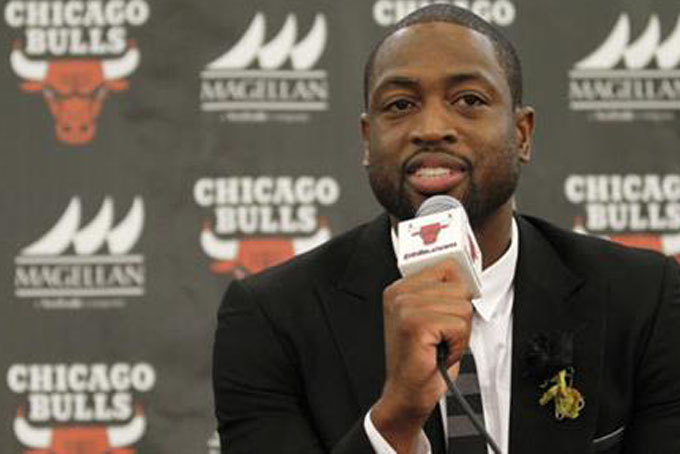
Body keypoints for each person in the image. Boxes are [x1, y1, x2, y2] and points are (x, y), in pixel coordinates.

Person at [212, 4, 680, 453]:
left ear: (522, 134)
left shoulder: (643, 299)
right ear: (367, 141)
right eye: (399, 105)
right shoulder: (270, 318)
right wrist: (396, 416)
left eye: (469, 100)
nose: (431, 128)